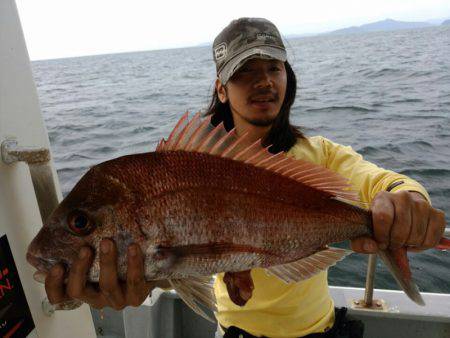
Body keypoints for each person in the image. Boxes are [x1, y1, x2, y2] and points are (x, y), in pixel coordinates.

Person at [44, 17, 446, 338]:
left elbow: (377, 180)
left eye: (274, 68)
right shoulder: (183, 166)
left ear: (288, 79)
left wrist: (405, 196)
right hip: (236, 332)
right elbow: (179, 264)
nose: (264, 81)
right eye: (244, 72)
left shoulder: (321, 155)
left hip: (320, 331)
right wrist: (145, 282)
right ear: (221, 89)